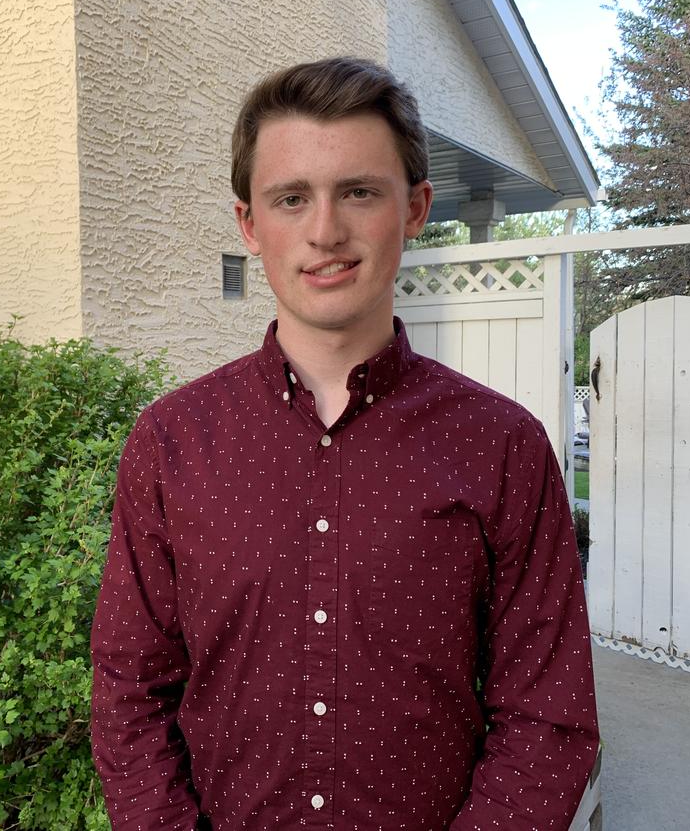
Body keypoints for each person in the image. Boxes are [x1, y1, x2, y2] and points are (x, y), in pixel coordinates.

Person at [91, 56, 599, 830]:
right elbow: (130, 692)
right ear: (250, 225)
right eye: (291, 198)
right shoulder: (171, 445)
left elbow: (547, 716)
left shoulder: (503, 448)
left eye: (358, 191)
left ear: (416, 207)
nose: (325, 231)